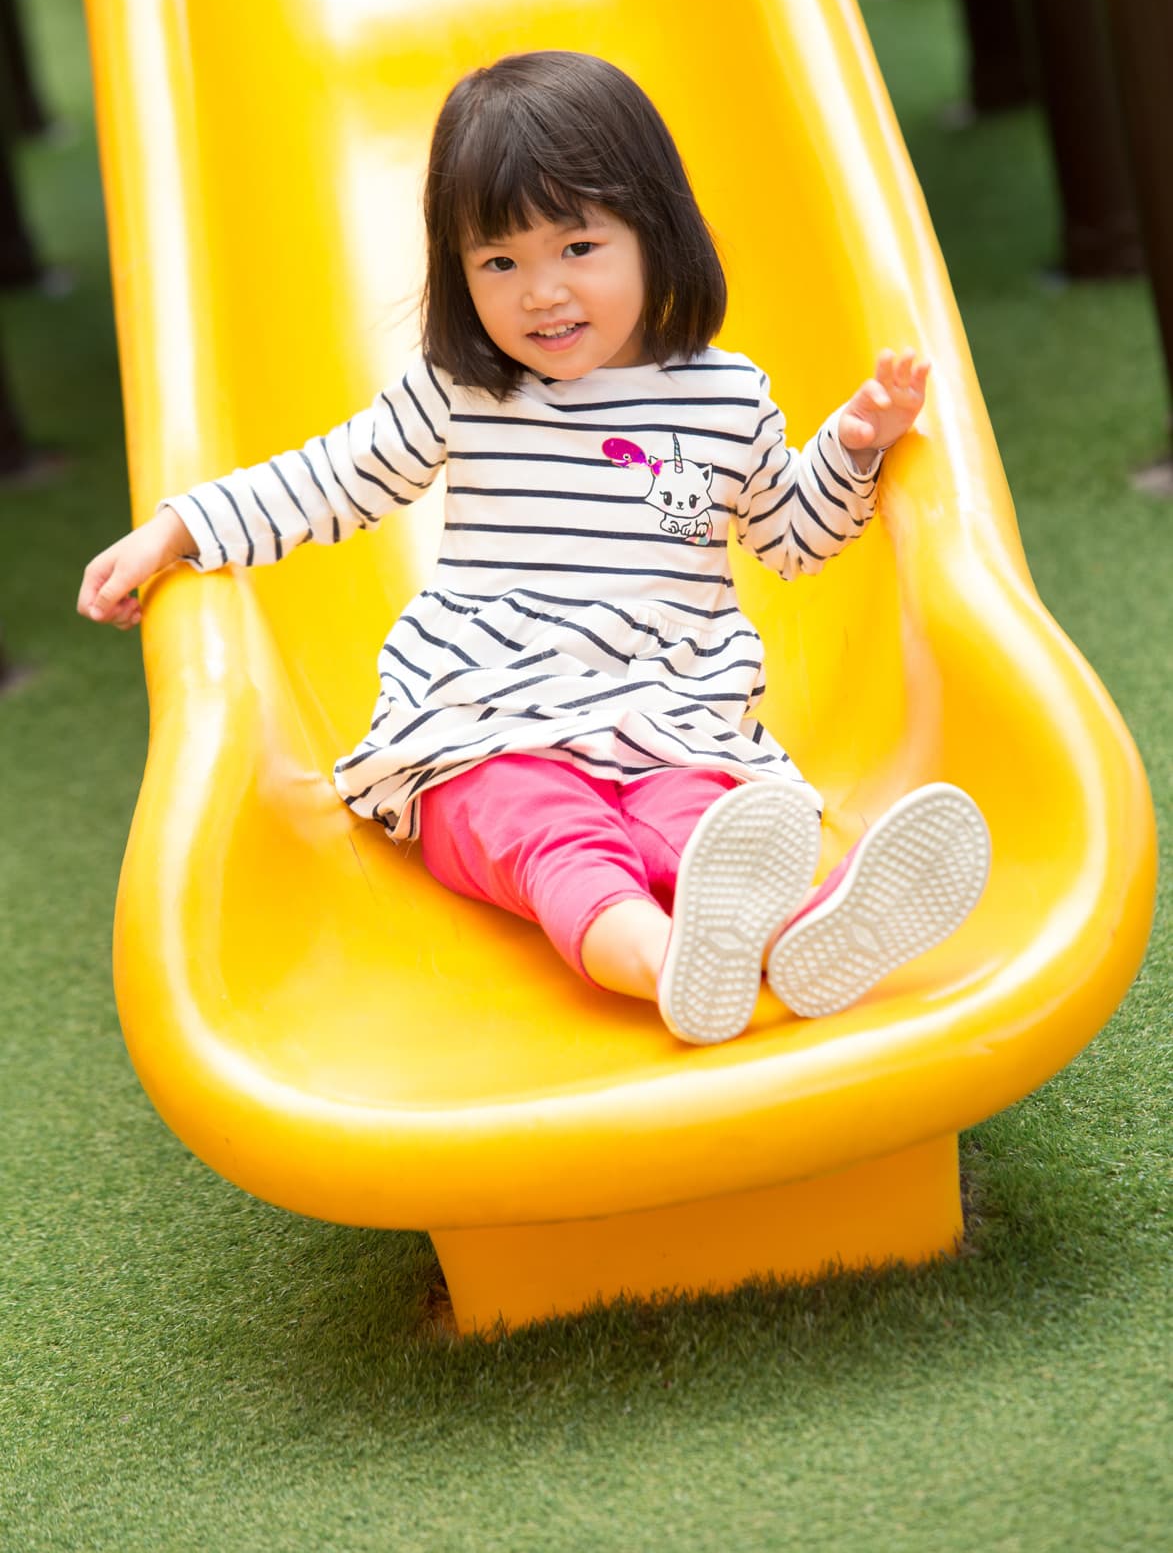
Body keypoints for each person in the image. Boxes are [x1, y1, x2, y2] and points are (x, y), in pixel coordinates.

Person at [77, 51, 990, 1046]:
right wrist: (178, 527)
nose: (542, 293)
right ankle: (661, 960)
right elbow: (330, 480)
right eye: (499, 263)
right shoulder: (465, 392)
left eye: (579, 246)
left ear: (656, 235)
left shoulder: (723, 400)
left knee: (718, 829)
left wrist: (855, 446)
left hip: (669, 718)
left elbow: (793, 539)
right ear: (458, 274)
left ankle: (803, 933)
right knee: (553, 841)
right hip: (489, 723)